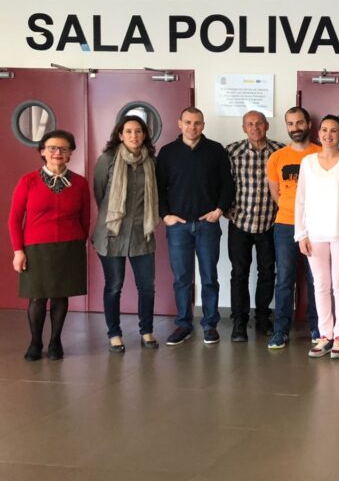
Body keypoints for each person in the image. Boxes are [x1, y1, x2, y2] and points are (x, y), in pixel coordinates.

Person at [9, 129, 90, 361]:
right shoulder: (28, 181)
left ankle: (55, 342)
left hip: (69, 246)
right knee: (37, 297)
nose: (57, 152)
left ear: (70, 153)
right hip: (36, 247)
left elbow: (86, 217)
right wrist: (18, 251)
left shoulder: (80, 183)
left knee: (60, 296)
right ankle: (35, 342)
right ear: (43, 152)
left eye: (63, 149)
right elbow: (14, 218)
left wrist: (79, 243)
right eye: (52, 148)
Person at [156, 106, 234, 347]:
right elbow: (159, 188)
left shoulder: (216, 150)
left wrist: (219, 210)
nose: (192, 127)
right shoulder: (167, 152)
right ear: (179, 123)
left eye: (197, 123)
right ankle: (183, 324)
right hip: (177, 226)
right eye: (188, 122)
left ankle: (210, 324)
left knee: (209, 277)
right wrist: (165, 215)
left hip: (207, 224)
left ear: (203, 125)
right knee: (182, 278)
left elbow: (227, 184)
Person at [295, 115, 339, 359]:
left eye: (333, 130)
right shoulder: (308, 162)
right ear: (318, 133)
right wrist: (301, 233)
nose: (328, 135)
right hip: (314, 234)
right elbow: (300, 200)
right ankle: (324, 335)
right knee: (320, 285)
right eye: (324, 130)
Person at [91, 115, 160, 353]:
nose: (134, 135)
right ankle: (114, 334)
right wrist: (114, 215)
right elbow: (100, 193)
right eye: (128, 131)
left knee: (147, 287)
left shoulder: (151, 162)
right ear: (120, 135)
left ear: (144, 135)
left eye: (138, 131)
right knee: (114, 285)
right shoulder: (107, 160)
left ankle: (146, 331)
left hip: (142, 233)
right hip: (112, 234)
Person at [265, 106, 320, 350]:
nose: (295, 128)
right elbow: (275, 193)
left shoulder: (320, 154)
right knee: (285, 279)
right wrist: (293, 211)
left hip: (317, 227)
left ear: (308, 124)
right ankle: (280, 331)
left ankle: (318, 328)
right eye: (290, 123)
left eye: (299, 122)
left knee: (316, 279)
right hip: (285, 225)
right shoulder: (277, 158)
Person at [225, 110, 283, 342]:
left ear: (266, 126)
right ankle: (239, 322)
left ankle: (262, 318)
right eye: (250, 124)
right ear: (244, 128)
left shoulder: (279, 151)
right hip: (240, 223)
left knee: (267, 273)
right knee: (239, 274)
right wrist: (227, 210)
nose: (255, 128)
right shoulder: (232, 151)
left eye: (259, 123)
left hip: (270, 223)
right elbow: (223, 183)